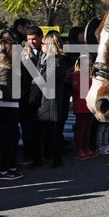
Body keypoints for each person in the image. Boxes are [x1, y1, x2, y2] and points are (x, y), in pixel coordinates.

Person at [0, 38, 22, 180]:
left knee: (5, 137)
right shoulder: (6, 67)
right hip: (9, 105)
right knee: (9, 139)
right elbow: (7, 88)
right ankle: (5, 169)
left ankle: (9, 167)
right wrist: (20, 94)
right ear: (7, 50)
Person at [33, 33, 67, 168]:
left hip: (50, 100)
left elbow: (45, 79)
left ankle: (56, 158)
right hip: (44, 98)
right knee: (44, 131)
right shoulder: (46, 59)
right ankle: (45, 158)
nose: (41, 46)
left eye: (44, 43)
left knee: (52, 131)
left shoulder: (58, 61)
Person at [20, 26, 44, 167]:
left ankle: (39, 155)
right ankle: (29, 155)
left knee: (40, 129)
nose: (32, 41)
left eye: (34, 39)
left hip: (42, 97)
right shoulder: (24, 53)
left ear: (40, 37)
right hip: (28, 98)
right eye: (29, 39)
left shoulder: (46, 51)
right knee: (28, 129)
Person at [71, 57, 96, 159]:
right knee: (81, 129)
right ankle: (79, 150)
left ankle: (86, 148)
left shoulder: (91, 77)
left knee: (88, 129)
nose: (90, 67)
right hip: (81, 106)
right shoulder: (76, 76)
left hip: (89, 106)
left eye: (91, 65)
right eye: (88, 65)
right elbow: (81, 90)